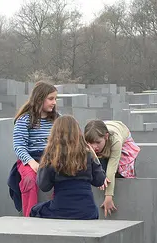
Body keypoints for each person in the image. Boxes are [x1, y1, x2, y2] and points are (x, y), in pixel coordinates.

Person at [29, 115, 106, 219]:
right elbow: (100, 180)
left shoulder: (52, 155)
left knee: (35, 210)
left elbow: (44, 186)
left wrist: (44, 161)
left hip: (61, 209)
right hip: (87, 211)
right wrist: (93, 155)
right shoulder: (87, 154)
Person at [8, 81, 59, 216]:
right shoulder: (24, 120)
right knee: (29, 180)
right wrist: (32, 163)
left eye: (55, 99)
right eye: (51, 99)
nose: (54, 102)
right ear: (40, 98)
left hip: (52, 157)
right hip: (30, 159)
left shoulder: (56, 120)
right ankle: (30, 216)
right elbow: (19, 146)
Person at [84, 119, 141, 217]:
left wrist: (108, 196)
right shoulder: (88, 142)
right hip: (105, 128)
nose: (94, 146)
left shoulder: (116, 141)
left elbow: (111, 169)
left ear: (106, 137)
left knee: (123, 169)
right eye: (90, 143)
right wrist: (100, 177)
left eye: (97, 142)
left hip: (121, 132)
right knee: (101, 168)